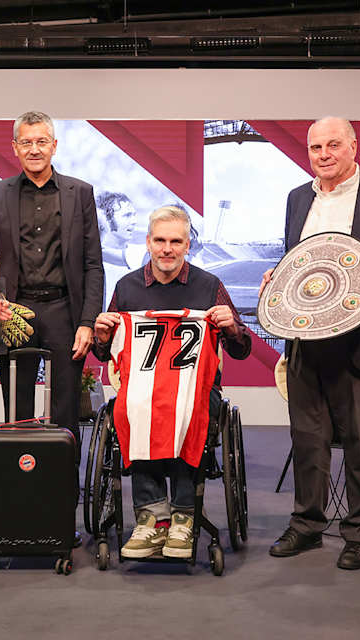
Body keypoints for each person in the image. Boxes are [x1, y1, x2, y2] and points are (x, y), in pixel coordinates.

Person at [262, 117, 360, 569]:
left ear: (354, 147)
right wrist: (279, 278)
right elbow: (299, 260)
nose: (324, 154)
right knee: (307, 438)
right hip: (304, 339)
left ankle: (359, 531)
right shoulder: (297, 198)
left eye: (334, 144)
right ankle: (306, 525)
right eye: (316, 147)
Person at [93, 206, 251, 559]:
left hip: (195, 389)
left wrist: (231, 325)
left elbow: (242, 349)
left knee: (188, 407)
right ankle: (152, 516)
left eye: (175, 241)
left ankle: (183, 514)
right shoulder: (128, 287)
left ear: (188, 245)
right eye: (160, 240)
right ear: (148, 243)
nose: (167, 248)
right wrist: (103, 336)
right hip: (142, 390)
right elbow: (107, 355)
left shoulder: (209, 286)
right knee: (131, 407)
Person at [0, 111, 105, 457]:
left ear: (54, 146)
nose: (35, 149)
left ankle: (62, 488)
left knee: (64, 410)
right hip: (13, 312)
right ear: (15, 147)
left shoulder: (81, 193)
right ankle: (21, 484)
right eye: (27, 142)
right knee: (17, 409)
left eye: (41, 141)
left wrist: (88, 322)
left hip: (65, 311)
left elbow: (93, 264)